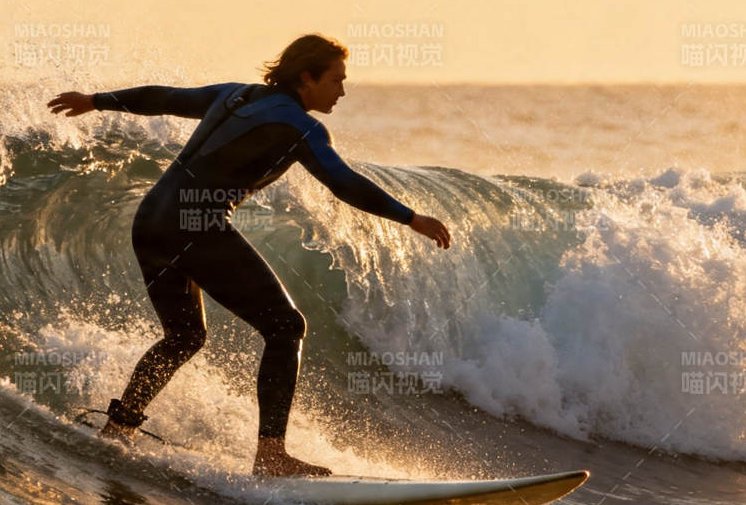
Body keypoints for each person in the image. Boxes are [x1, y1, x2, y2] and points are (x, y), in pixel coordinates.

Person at [47, 34, 451, 477]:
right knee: (286, 327)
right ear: (307, 77)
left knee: (184, 337)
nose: (342, 90)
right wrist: (410, 218)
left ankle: (118, 429)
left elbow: (166, 98)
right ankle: (272, 455)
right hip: (194, 226)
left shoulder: (234, 95)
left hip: (151, 221)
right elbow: (342, 182)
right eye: (336, 79)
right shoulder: (300, 126)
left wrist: (97, 100)